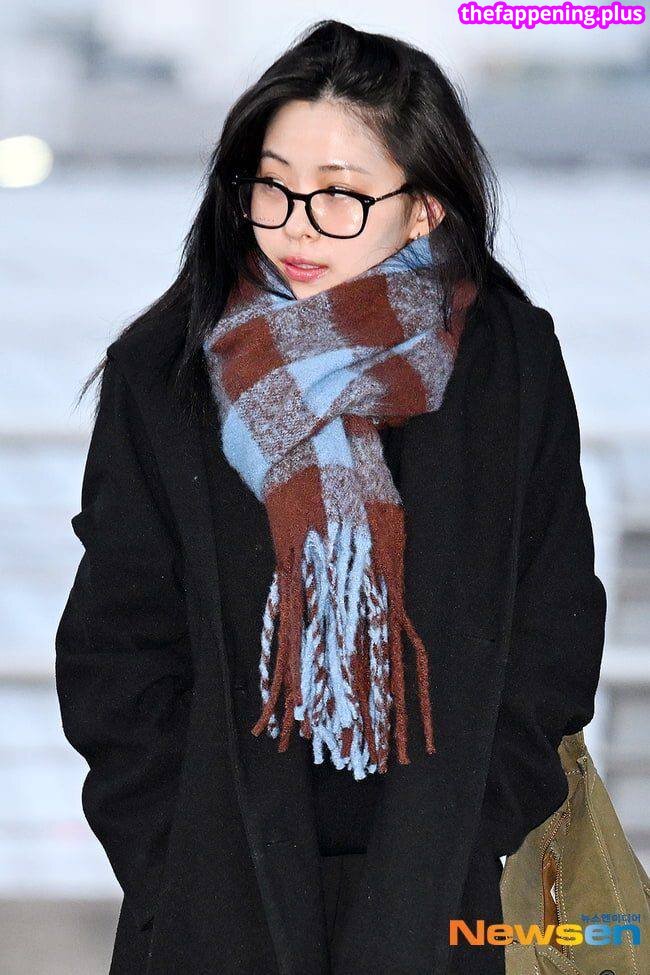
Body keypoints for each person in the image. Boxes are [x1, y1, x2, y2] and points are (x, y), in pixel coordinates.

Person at [55, 19, 607, 975]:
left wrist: (475, 828)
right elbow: (115, 647)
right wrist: (171, 857)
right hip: (216, 891)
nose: (297, 224)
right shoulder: (165, 372)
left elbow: (555, 619)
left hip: (439, 883)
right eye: (272, 185)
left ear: (425, 207)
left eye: (341, 195)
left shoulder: (508, 363)